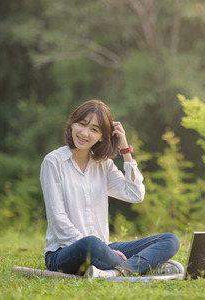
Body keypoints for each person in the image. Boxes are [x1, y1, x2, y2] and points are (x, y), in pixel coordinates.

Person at [40, 99, 182, 278]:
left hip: (104, 249)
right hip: (65, 253)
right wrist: (104, 251)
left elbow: (135, 194)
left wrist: (125, 149)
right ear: (71, 125)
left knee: (170, 240)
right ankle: (143, 266)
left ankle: (115, 272)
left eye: (94, 129)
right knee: (90, 244)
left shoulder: (104, 165)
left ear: (101, 136)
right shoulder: (54, 161)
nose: (84, 133)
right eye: (82, 124)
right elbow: (57, 219)